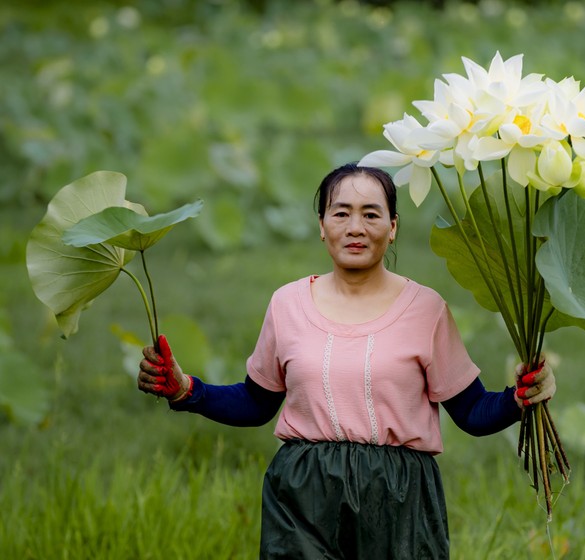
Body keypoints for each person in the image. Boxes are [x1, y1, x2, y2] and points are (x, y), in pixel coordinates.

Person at [137, 163, 556, 559]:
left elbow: (471, 412)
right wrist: (185, 389)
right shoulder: (288, 303)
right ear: (322, 226)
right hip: (303, 492)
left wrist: (519, 397)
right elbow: (255, 403)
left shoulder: (425, 309)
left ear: (392, 228)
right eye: (341, 213)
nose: (356, 227)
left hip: (399, 496)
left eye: (371, 215)